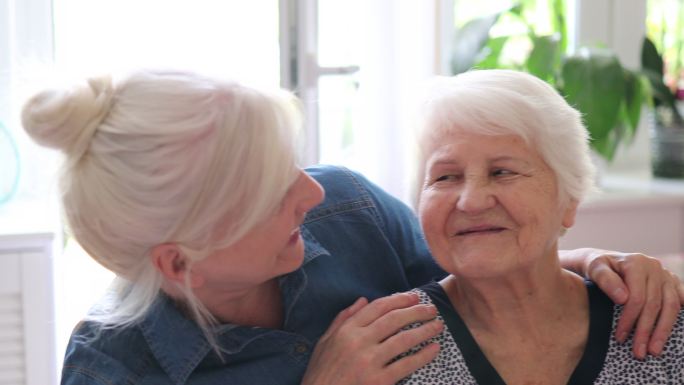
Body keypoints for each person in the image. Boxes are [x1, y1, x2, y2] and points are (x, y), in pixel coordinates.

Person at [21, 69, 683, 385]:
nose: (309, 191)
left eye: (293, 164)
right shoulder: (114, 369)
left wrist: (591, 257)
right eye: (270, 192)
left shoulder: (347, 209)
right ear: (180, 262)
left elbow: (481, 258)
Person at [398, 69, 684, 385]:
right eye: (445, 177)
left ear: (569, 200)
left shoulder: (658, 321)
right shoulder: (390, 348)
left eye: (502, 172)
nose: (472, 201)